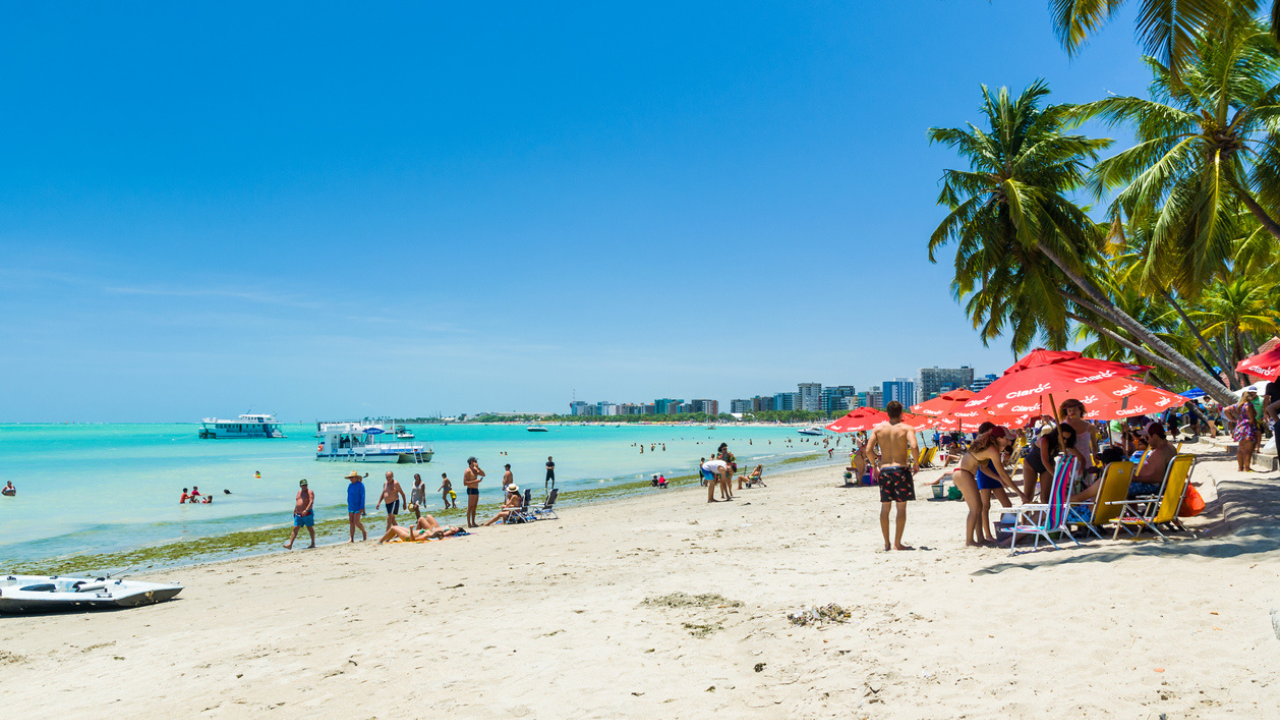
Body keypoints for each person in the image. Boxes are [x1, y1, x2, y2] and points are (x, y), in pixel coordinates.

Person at [1072, 422, 1177, 502]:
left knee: (1107, 481)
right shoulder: (1168, 447)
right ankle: (1084, 499)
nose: (1145, 439)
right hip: (1156, 485)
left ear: (1155, 436)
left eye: (1146, 437)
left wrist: (1132, 477)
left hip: (1152, 486)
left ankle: (1081, 500)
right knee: (1108, 480)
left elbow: (1158, 478)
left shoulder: (1160, 452)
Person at [863, 401, 918, 551]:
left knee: (885, 507)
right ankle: (897, 543)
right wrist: (917, 464)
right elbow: (914, 446)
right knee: (901, 508)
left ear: (887, 413)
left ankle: (886, 544)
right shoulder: (907, 428)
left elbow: (868, 450)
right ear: (901, 414)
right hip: (901, 470)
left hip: (886, 471)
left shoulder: (879, 429)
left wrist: (875, 466)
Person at [952, 427, 1015, 547]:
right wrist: (1018, 492)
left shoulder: (986, 448)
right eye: (1006, 439)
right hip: (964, 473)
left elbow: (985, 468)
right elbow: (1002, 472)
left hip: (962, 472)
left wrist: (998, 479)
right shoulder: (991, 450)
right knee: (975, 508)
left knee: (979, 507)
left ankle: (980, 539)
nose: (1008, 442)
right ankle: (970, 540)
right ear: (998, 439)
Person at [1226, 389, 1261, 472]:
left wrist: (1233, 419)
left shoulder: (1238, 405)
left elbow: (1226, 410)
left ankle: (1240, 467)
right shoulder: (1248, 405)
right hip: (1248, 428)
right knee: (1248, 449)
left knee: (1241, 449)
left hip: (1240, 428)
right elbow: (1252, 419)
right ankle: (1247, 468)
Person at [284, 479, 315, 550]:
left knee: (310, 528)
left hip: (307, 513)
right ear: (300, 485)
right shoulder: (298, 492)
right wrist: (295, 510)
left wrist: (306, 510)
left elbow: (311, 502)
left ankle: (313, 543)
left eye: (306, 485)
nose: (305, 486)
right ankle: (290, 544)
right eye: (303, 485)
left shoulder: (310, 492)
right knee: (295, 528)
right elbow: (298, 501)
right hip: (298, 514)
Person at [346, 471, 367, 542]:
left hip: (358, 506)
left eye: (352, 477)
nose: (350, 479)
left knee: (356, 522)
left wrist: (362, 507)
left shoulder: (361, 485)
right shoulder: (350, 485)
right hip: (350, 506)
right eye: (350, 478)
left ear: (355, 477)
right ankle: (351, 538)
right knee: (351, 522)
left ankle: (364, 531)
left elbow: (363, 496)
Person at [463, 457, 485, 528]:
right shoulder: (467, 471)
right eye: (475, 461)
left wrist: (478, 468)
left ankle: (473, 522)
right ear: (472, 462)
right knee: (470, 507)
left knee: (474, 506)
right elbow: (465, 483)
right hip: (470, 489)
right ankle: (469, 523)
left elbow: (483, 474)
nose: (476, 462)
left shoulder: (475, 470)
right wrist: (476, 481)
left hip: (476, 489)